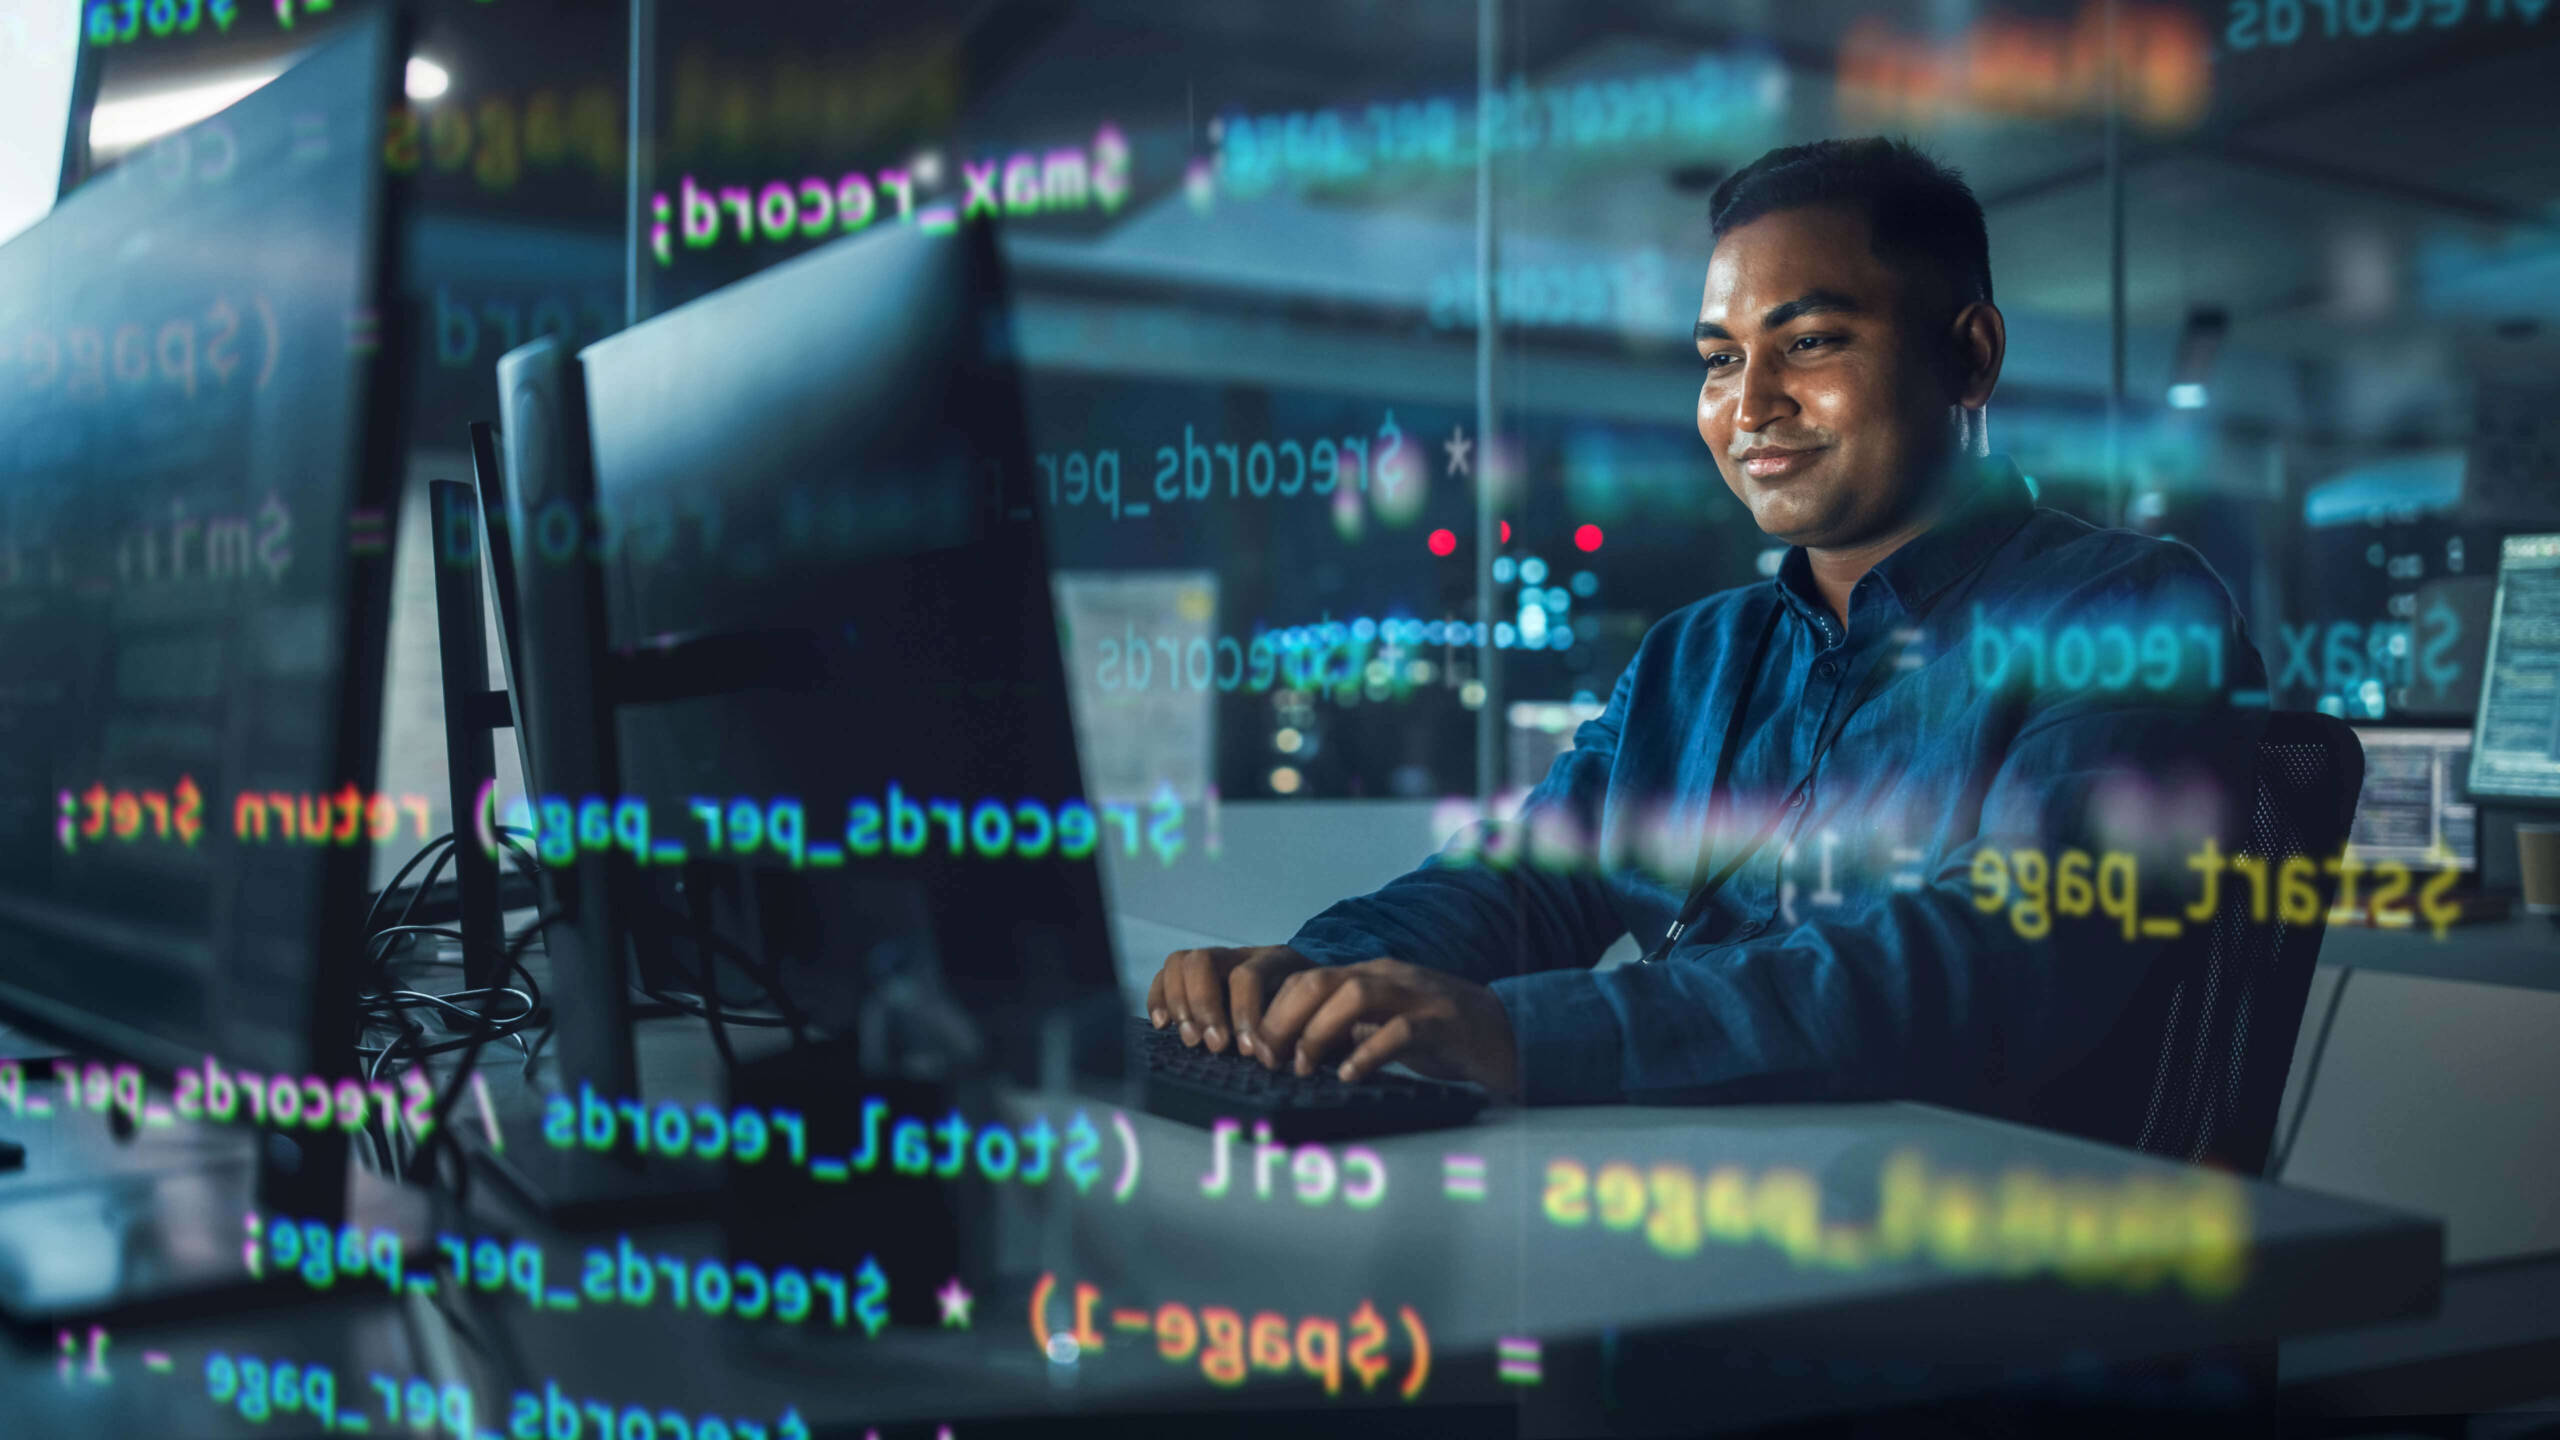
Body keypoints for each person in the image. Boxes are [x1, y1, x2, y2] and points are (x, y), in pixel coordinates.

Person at [1145, 137, 2267, 1142]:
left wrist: (1518, 1034)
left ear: (1969, 357)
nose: (1749, 403)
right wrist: (1307, 977)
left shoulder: (2122, 608)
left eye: (1811, 340)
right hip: (1711, 1209)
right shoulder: (1698, 655)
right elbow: (1527, 884)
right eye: (1720, 357)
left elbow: (1992, 962)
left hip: (1979, 1253)